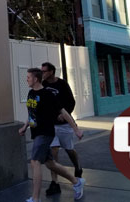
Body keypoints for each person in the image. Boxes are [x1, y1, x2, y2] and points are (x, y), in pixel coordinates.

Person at [19, 68, 85, 202]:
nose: (27, 79)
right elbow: (32, 113)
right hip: (36, 132)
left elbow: (64, 112)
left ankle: (35, 199)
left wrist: (75, 129)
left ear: (36, 79)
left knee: (35, 161)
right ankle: (76, 182)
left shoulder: (47, 95)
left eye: (28, 77)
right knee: (50, 164)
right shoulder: (31, 93)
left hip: (45, 133)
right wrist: (25, 126)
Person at [41, 62, 82, 196]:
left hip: (64, 124)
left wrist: (63, 115)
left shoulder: (62, 84)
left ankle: (77, 166)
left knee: (69, 149)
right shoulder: (43, 84)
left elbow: (71, 102)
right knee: (53, 152)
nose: (42, 74)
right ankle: (55, 183)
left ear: (51, 72)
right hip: (51, 125)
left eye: (44, 71)